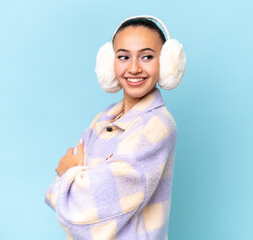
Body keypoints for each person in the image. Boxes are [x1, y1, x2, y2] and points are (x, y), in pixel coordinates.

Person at [45, 15, 186, 240]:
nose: (134, 68)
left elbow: (81, 206)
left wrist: (69, 174)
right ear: (110, 64)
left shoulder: (157, 125)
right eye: (123, 57)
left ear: (167, 63)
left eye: (147, 56)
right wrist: (71, 188)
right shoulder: (104, 118)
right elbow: (58, 198)